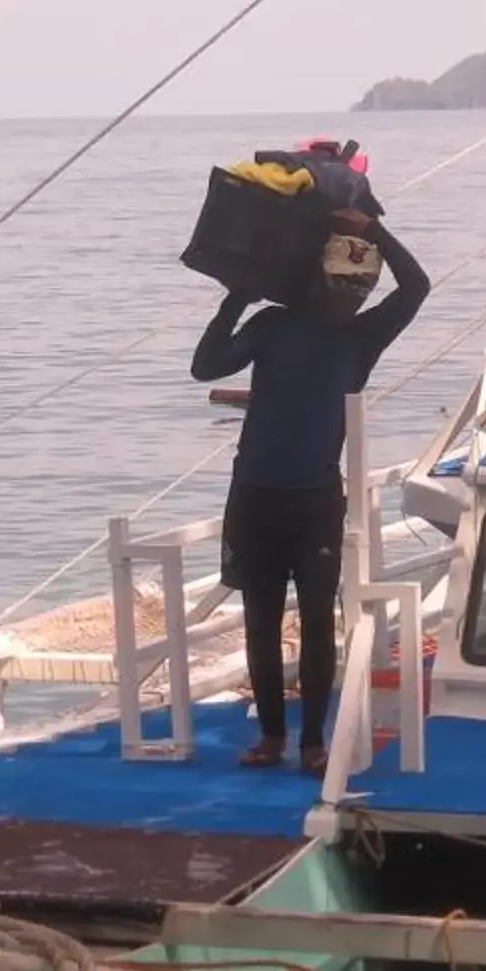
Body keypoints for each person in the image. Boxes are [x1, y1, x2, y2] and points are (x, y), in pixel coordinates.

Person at [190, 214, 433, 772]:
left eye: (359, 286)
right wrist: (236, 300)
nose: (349, 295)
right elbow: (205, 367)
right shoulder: (274, 325)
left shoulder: (363, 336)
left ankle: (313, 743)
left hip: (315, 499)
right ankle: (272, 737)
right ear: (317, 278)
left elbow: (416, 286)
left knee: (321, 620)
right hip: (254, 496)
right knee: (261, 619)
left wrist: (376, 228)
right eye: (341, 282)